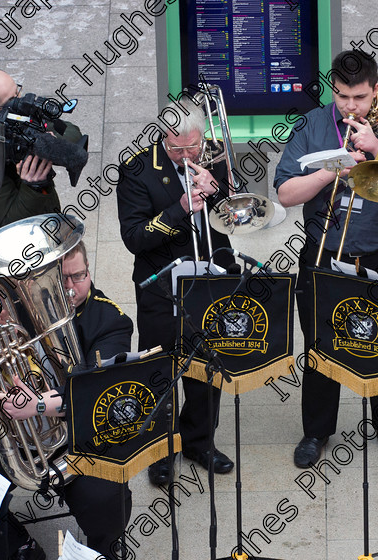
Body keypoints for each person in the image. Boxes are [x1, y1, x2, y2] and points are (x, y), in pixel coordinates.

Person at [274, 49, 378, 468]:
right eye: (342, 96)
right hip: (323, 251)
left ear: (376, 91)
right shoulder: (312, 124)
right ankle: (316, 431)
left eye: (359, 97)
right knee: (320, 341)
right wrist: (332, 171)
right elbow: (284, 193)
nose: (350, 106)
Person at [0, 240, 133, 560]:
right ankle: (11, 542)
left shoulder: (109, 320)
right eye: (59, 279)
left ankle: (103, 548)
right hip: (11, 431)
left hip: (75, 435)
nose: (69, 289)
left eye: (79, 276)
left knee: (106, 500)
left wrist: (36, 405)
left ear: (89, 271)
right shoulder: (15, 307)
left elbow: (98, 394)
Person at [116, 100, 235, 485]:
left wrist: (216, 194)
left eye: (192, 148)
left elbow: (232, 216)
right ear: (163, 137)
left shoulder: (214, 158)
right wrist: (181, 207)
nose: (186, 156)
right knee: (161, 368)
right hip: (160, 286)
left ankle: (199, 440)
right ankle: (161, 448)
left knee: (206, 365)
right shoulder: (136, 170)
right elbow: (135, 238)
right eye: (176, 149)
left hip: (208, 276)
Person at [0, 67, 84, 240]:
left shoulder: (15, 116)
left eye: (17, 91)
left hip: (48, 224)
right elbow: (10, 226)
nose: (20, 101)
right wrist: (33, 187)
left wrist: (46, 141)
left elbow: (71, 132)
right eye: (11, 100)